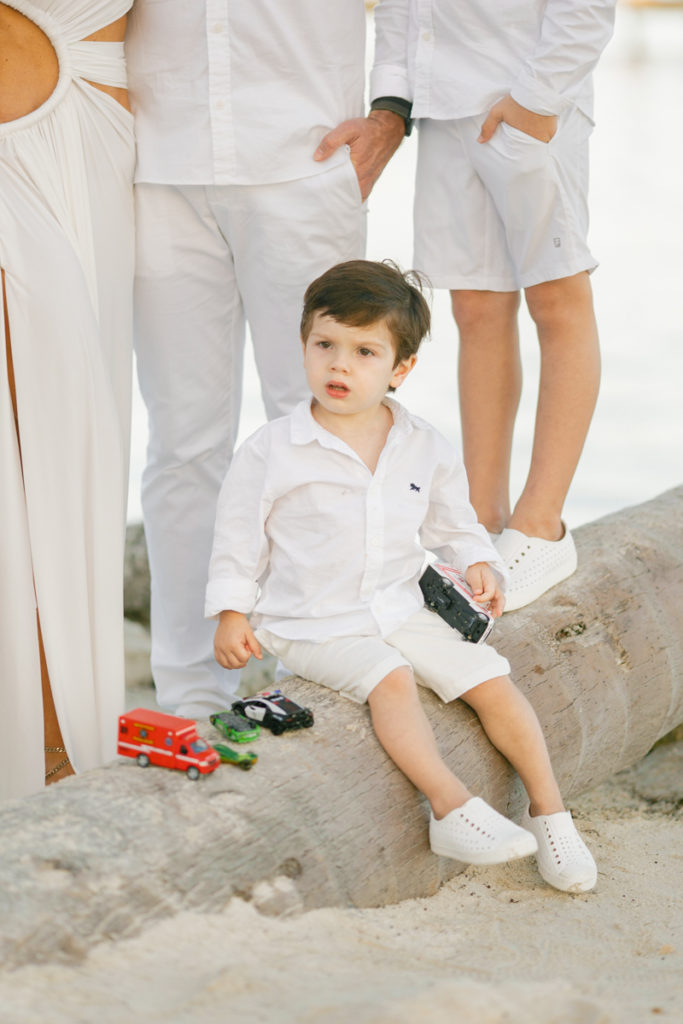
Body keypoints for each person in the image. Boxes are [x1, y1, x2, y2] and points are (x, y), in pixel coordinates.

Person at [205, 260, 597, 893]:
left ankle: (551, 813)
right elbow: (236, 540)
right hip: (312, 622)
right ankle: (451, 808)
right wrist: (230, 612)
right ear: (304, 343)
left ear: (400, 369)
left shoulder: (423, 444)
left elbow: (454, 523)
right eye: (324, 345)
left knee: (491, 680)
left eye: (364, 351)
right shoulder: (272, 449)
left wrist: (479, 561)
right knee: (391, 678)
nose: (339, 365)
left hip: (397, 604)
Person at [124, 2, 407, 717]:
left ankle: (327, 675)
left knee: (326, 426)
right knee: (183, 442)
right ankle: (190, 697)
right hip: (154, 159)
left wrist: (392, 112)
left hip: (304, 157)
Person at [356, 0, 617, 611]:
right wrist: (393, 95)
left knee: (558, 299)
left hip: (526, 94)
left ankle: (541, 523)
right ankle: (483, 519)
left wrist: (537, 98)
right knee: (474, 308)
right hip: (443, 102)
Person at [0, 0, 135, 799]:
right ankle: (43, 743)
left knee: (73, 434)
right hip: (32, 141)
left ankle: (59, 737)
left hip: (89, 136)